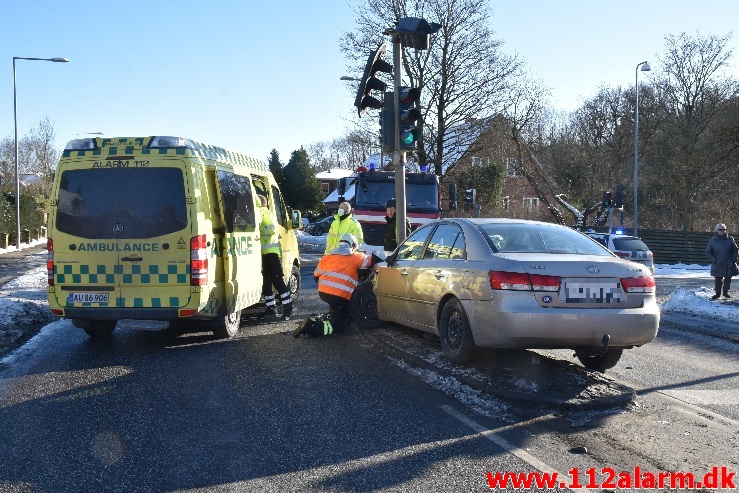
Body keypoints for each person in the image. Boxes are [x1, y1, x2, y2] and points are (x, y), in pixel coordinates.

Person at [293, 233, 371, 337]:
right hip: (340, 296)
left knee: (337, 311)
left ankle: (329, 317)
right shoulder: (355, 256)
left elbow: (316, 276)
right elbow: (370, 261)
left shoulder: (327, 256)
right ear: (352, 246)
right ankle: (312, 327)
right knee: (339, 326)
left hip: (324, 293)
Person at [258, 194, 292, 319]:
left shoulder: (264, 212)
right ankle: (270, 307)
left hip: (271, 253)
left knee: (277, 281)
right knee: (266, 282)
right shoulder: (262, 212)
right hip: (264, 253)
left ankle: (288, 308)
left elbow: (271, 230)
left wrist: (258, 232)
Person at [705, 223, 738, 300]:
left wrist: (733, 259)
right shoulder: (712, 240)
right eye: (720, 229)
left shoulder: (730, 239)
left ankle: (725, 292)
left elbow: (735, 250)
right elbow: (708, 251)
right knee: (718, 279)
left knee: (728, 279)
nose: (722, 231)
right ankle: (717, 293)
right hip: (718, 263)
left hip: (729, 262)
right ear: (716, 230)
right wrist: (714, 260)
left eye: (724, 229)